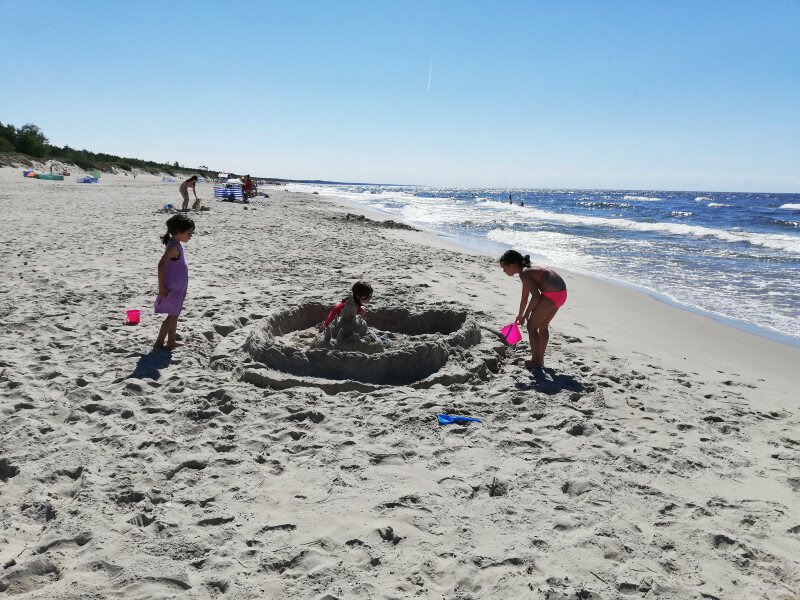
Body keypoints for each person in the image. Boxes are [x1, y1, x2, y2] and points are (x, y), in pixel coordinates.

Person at [499, 250, 567, 369]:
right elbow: (524, 298)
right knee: (543, 327)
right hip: (562, 294)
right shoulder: (527, 271)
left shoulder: (524, 274)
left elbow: (536, 296)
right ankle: (540, 360)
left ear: (512, 265)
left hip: (551, 294)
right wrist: (520, 315)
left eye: (504, 268)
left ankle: (536, 361)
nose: (504, 271)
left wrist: (526, 314)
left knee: (531, 326)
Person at [154, 214, 195, 351]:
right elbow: (161, 265)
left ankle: (171, 341)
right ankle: (159, 343)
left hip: (178, 286)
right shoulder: (173, 247)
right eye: (189, 233)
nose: (191, 236)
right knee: (172, 315)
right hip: (173, 287)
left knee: (175, 313)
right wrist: (161, 286)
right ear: (178, 231)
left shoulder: (176, 244)